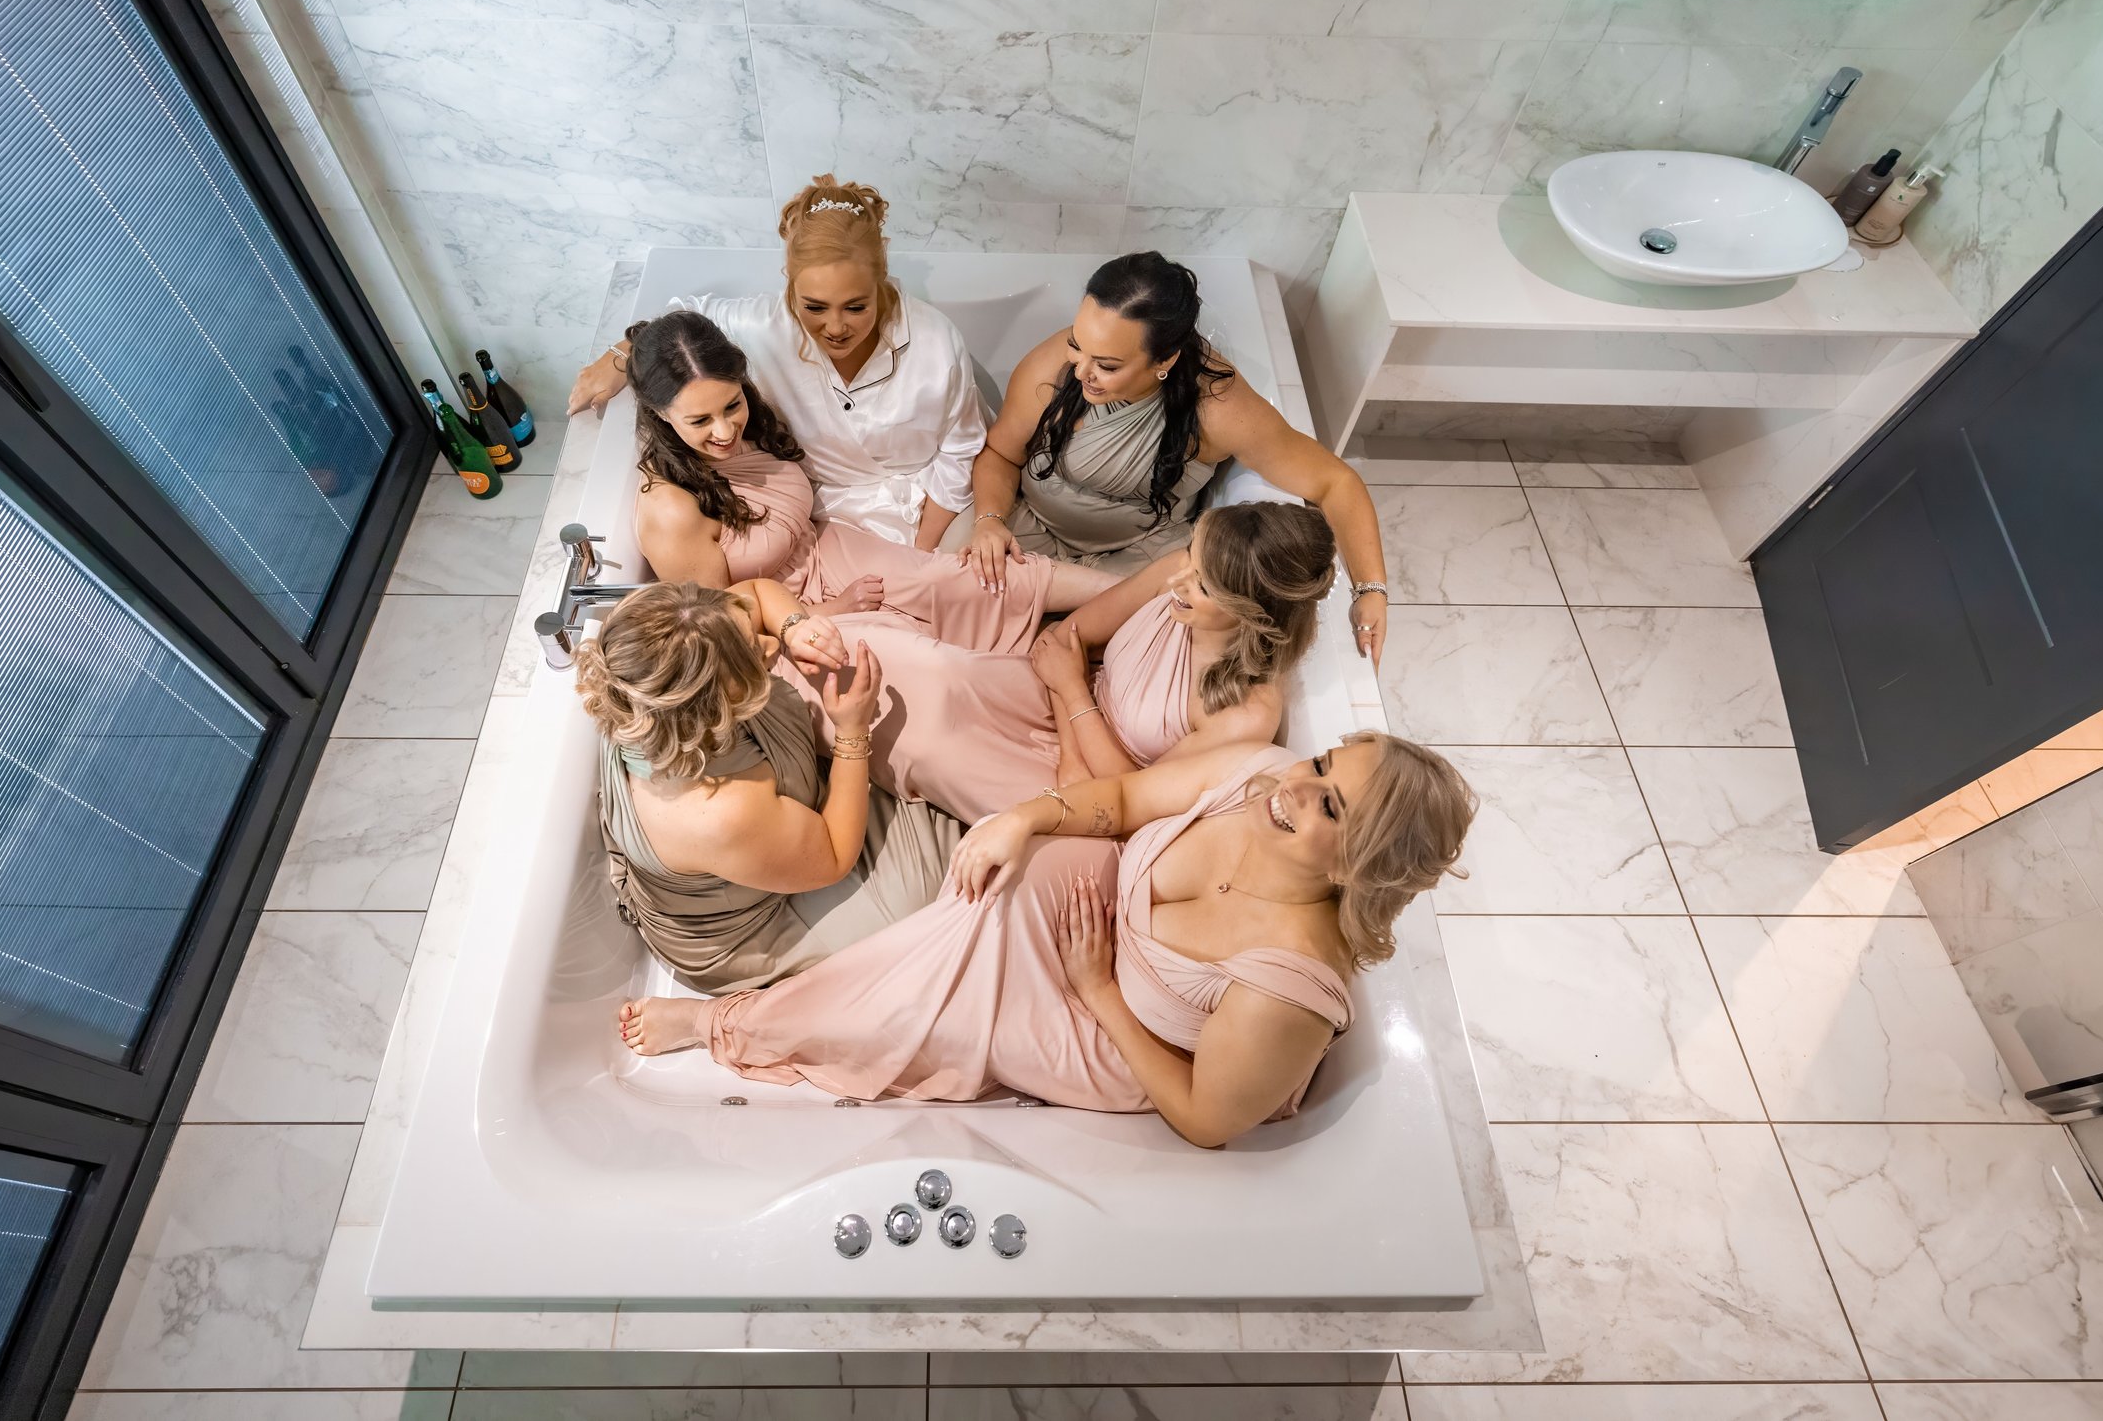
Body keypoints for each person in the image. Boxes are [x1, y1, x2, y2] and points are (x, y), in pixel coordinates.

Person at [618, 734, 1476, 1149]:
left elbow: (1203, 1119)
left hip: (1120, 1035)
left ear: (1360, 865)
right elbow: (1126, 799)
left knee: (937, 1011)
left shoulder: (1289, 983)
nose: (1295, 786)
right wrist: (1024, 820)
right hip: (1098, 913)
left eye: (1331, 805)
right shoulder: (1258, 778)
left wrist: (1098, 987)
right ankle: (851, 989)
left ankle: (730, 1024)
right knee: (976, 901)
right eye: (1322, 764)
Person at [961, 252, 1392, 666]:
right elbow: (1000, 453)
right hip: (1028, 530)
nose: (1080, 371)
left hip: (1138, 563)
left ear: (1164, 359)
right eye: (1077, 345)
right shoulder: (1053, 365)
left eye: (1107, 365)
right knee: (963, 619)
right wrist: (990, 520)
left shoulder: (1219, 408)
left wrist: (1371, 589)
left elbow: (1335, 482)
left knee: (1068, 652)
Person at [624, 310, 1112, 655]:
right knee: (930, 658)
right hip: (793, 620)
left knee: (959, 579)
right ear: (661, 415)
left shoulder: (745, 422)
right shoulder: (671, 510)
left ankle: (1139, 592)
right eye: (700, 421)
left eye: (732, 405)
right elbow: (725, 632)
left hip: (828, 547)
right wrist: (827, 613)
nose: (725, 431)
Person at [838, 501, 1336, 824]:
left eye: (1202, 585)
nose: (1177, 581)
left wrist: (1072, 692)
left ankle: (843, 755)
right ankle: (813, 656)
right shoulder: (1176, 574)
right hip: (1055, 700)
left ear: (1252, 611)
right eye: (1191, 557)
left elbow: (1134, 794)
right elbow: (1063, 638)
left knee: (932, 751)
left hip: (1096, 788)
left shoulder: (1246, 714)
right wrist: (1070, 700)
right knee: (939, 673)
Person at [577, 578, 956, 996]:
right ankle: (723, 1018)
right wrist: (852, 731)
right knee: (925, 908)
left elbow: (756, 593)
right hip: (747, 928)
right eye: (754, 652)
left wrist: (795, 627)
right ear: (711, 706)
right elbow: (834, 856)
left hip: (757, 836)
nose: (771, 646)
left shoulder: (661, 657)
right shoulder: (715, 812)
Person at [569, 176, 986, 549]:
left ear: (880, 279)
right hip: (821, 513)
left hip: (935, 508)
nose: (835, 328)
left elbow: (961, 453)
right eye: (814, 307)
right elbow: (683, 318)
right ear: (790, 280)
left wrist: (921, 553)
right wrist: (621, 353)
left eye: (856, 307)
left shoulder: (936, 340)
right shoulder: (763, 326)